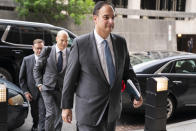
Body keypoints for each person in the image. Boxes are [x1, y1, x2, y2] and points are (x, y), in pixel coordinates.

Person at [61, 1, 143, 131]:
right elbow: (69, 79)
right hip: (88, 114)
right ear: (95, 19)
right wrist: (66, 107)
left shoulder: (121, 43)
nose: (111, 21)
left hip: (112, 113)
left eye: (113, 18)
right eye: (106, 17)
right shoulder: (80, 44)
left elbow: (128, 72)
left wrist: (136, 94)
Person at [33, 30, 69, 131]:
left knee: (59, 114)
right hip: (47, 87)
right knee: (51, 113)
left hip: (61, 88)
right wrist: (39, 84)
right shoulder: (48, 50)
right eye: (62, 40)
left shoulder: (70, 52)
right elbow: (37, 68)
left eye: (66, 41)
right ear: (56, 39)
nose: (64, 43)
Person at [19, 39, 45, 131]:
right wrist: (26, 92)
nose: (39, 51)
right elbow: (22, 78)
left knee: (42, 112)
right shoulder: (27, 60)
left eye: (41, 48)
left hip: (44, 92)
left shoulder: (48, 59)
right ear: (33, 48)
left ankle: (41, 128)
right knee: (34, 112)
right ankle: (35, 126)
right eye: (37, 48)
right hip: (32, 93)